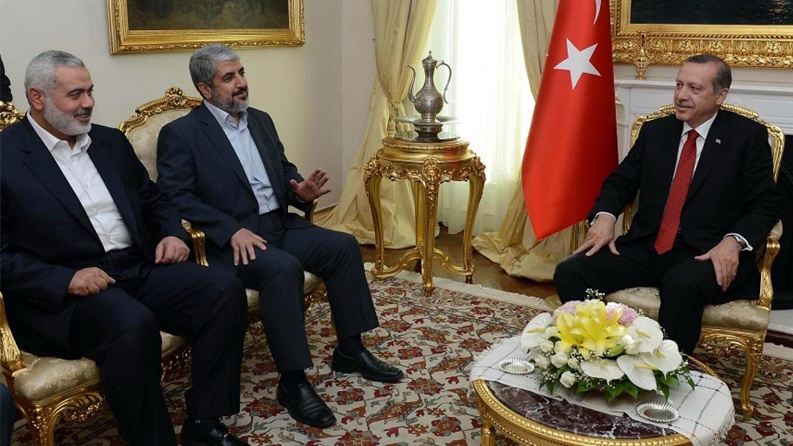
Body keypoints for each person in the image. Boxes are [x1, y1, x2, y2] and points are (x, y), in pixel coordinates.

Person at [0, 50, 250, 446]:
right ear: (37, 97)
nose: (88, 103)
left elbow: (154, 200)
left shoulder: (109, 141)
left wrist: (171, 233)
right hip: (68, 294)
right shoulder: (6, 156)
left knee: (223, 290)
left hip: (135, 266)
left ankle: (204, 420)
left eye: (90, 91)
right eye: (75, 95)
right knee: (131, 323)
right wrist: (65, 279)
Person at [157, 44, 403, 429]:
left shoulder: (260, 120)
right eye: (229, 77)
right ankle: (293, 381)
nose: (241, 83)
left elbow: (283, 169)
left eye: (241, 73)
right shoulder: (182, 133)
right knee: (282, 269)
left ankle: (350, 349)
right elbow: (176, 196)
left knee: (343, 246)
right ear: (206, 89)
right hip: (234, 240)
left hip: (279, 225)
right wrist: (229, 229)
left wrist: (299, 190)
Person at [554, 54, 780, 354]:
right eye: (678, 85)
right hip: (648, 245)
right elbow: (620, 181)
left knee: (681, 283)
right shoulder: (655, 131)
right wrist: (605, 216)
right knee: (571, 270)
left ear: (720, 95)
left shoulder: (746, 137)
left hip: (705, 252)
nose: (681, 95)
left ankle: (669, 368)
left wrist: (733, 241)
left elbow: (765, 204)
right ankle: (595, 351)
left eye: (694, 88)